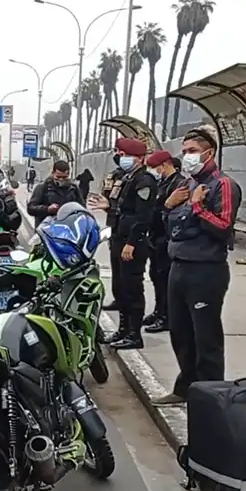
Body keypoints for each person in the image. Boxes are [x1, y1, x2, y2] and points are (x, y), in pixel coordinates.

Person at [151, 126, 242, 407]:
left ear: (208, 153)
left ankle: (211, 397)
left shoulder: (223, 185)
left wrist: (197, 207)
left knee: (206, 337)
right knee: (180, 332)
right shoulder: (187, 184)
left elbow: (223, 227)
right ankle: (185, 386)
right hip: (179, 264)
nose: (186, 156)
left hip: (206, 269)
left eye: (192, 151)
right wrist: (168, 206)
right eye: (184, 151)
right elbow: (172, 225)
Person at [102, 138, 157, 349]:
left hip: (132, 243)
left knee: (132, 288)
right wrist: (108, 207)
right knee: (120, 287)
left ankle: (134, 334)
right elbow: (122, 210)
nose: (121, 158)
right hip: (119, 239)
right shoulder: (127, 178)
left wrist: (132, 242)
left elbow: (143, 217)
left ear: (140, 159)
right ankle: (123, 330)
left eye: (125, 155)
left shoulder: (144, 181)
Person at [143, 151, 182, 334]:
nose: (153, 171)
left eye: (155, 167)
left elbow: (174, 212)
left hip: (166, 238)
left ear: (165, 164)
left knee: (165, 279)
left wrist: (164, 206)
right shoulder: (163, 183)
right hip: (155, 237)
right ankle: (159, 311)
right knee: (156, 276)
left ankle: (166, 316)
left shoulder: (178, 184)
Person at [100, 156, 126, 311]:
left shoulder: (140, 179)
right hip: (114, 224)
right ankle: (118, 299)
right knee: (116, 268)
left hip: (127, 229)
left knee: (127, 274)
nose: (119, 156)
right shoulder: (114, 175)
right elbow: (107, 194)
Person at [27, 160, 83, 227]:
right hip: (46, 229)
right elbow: (31, 208)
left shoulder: (73, 188)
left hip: (68, 228)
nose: (61, 180)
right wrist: (47, 209)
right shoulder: (43, 187)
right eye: (58, 177)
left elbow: (82, 208)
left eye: (64, 177)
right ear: (53, 173)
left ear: (68, 174)